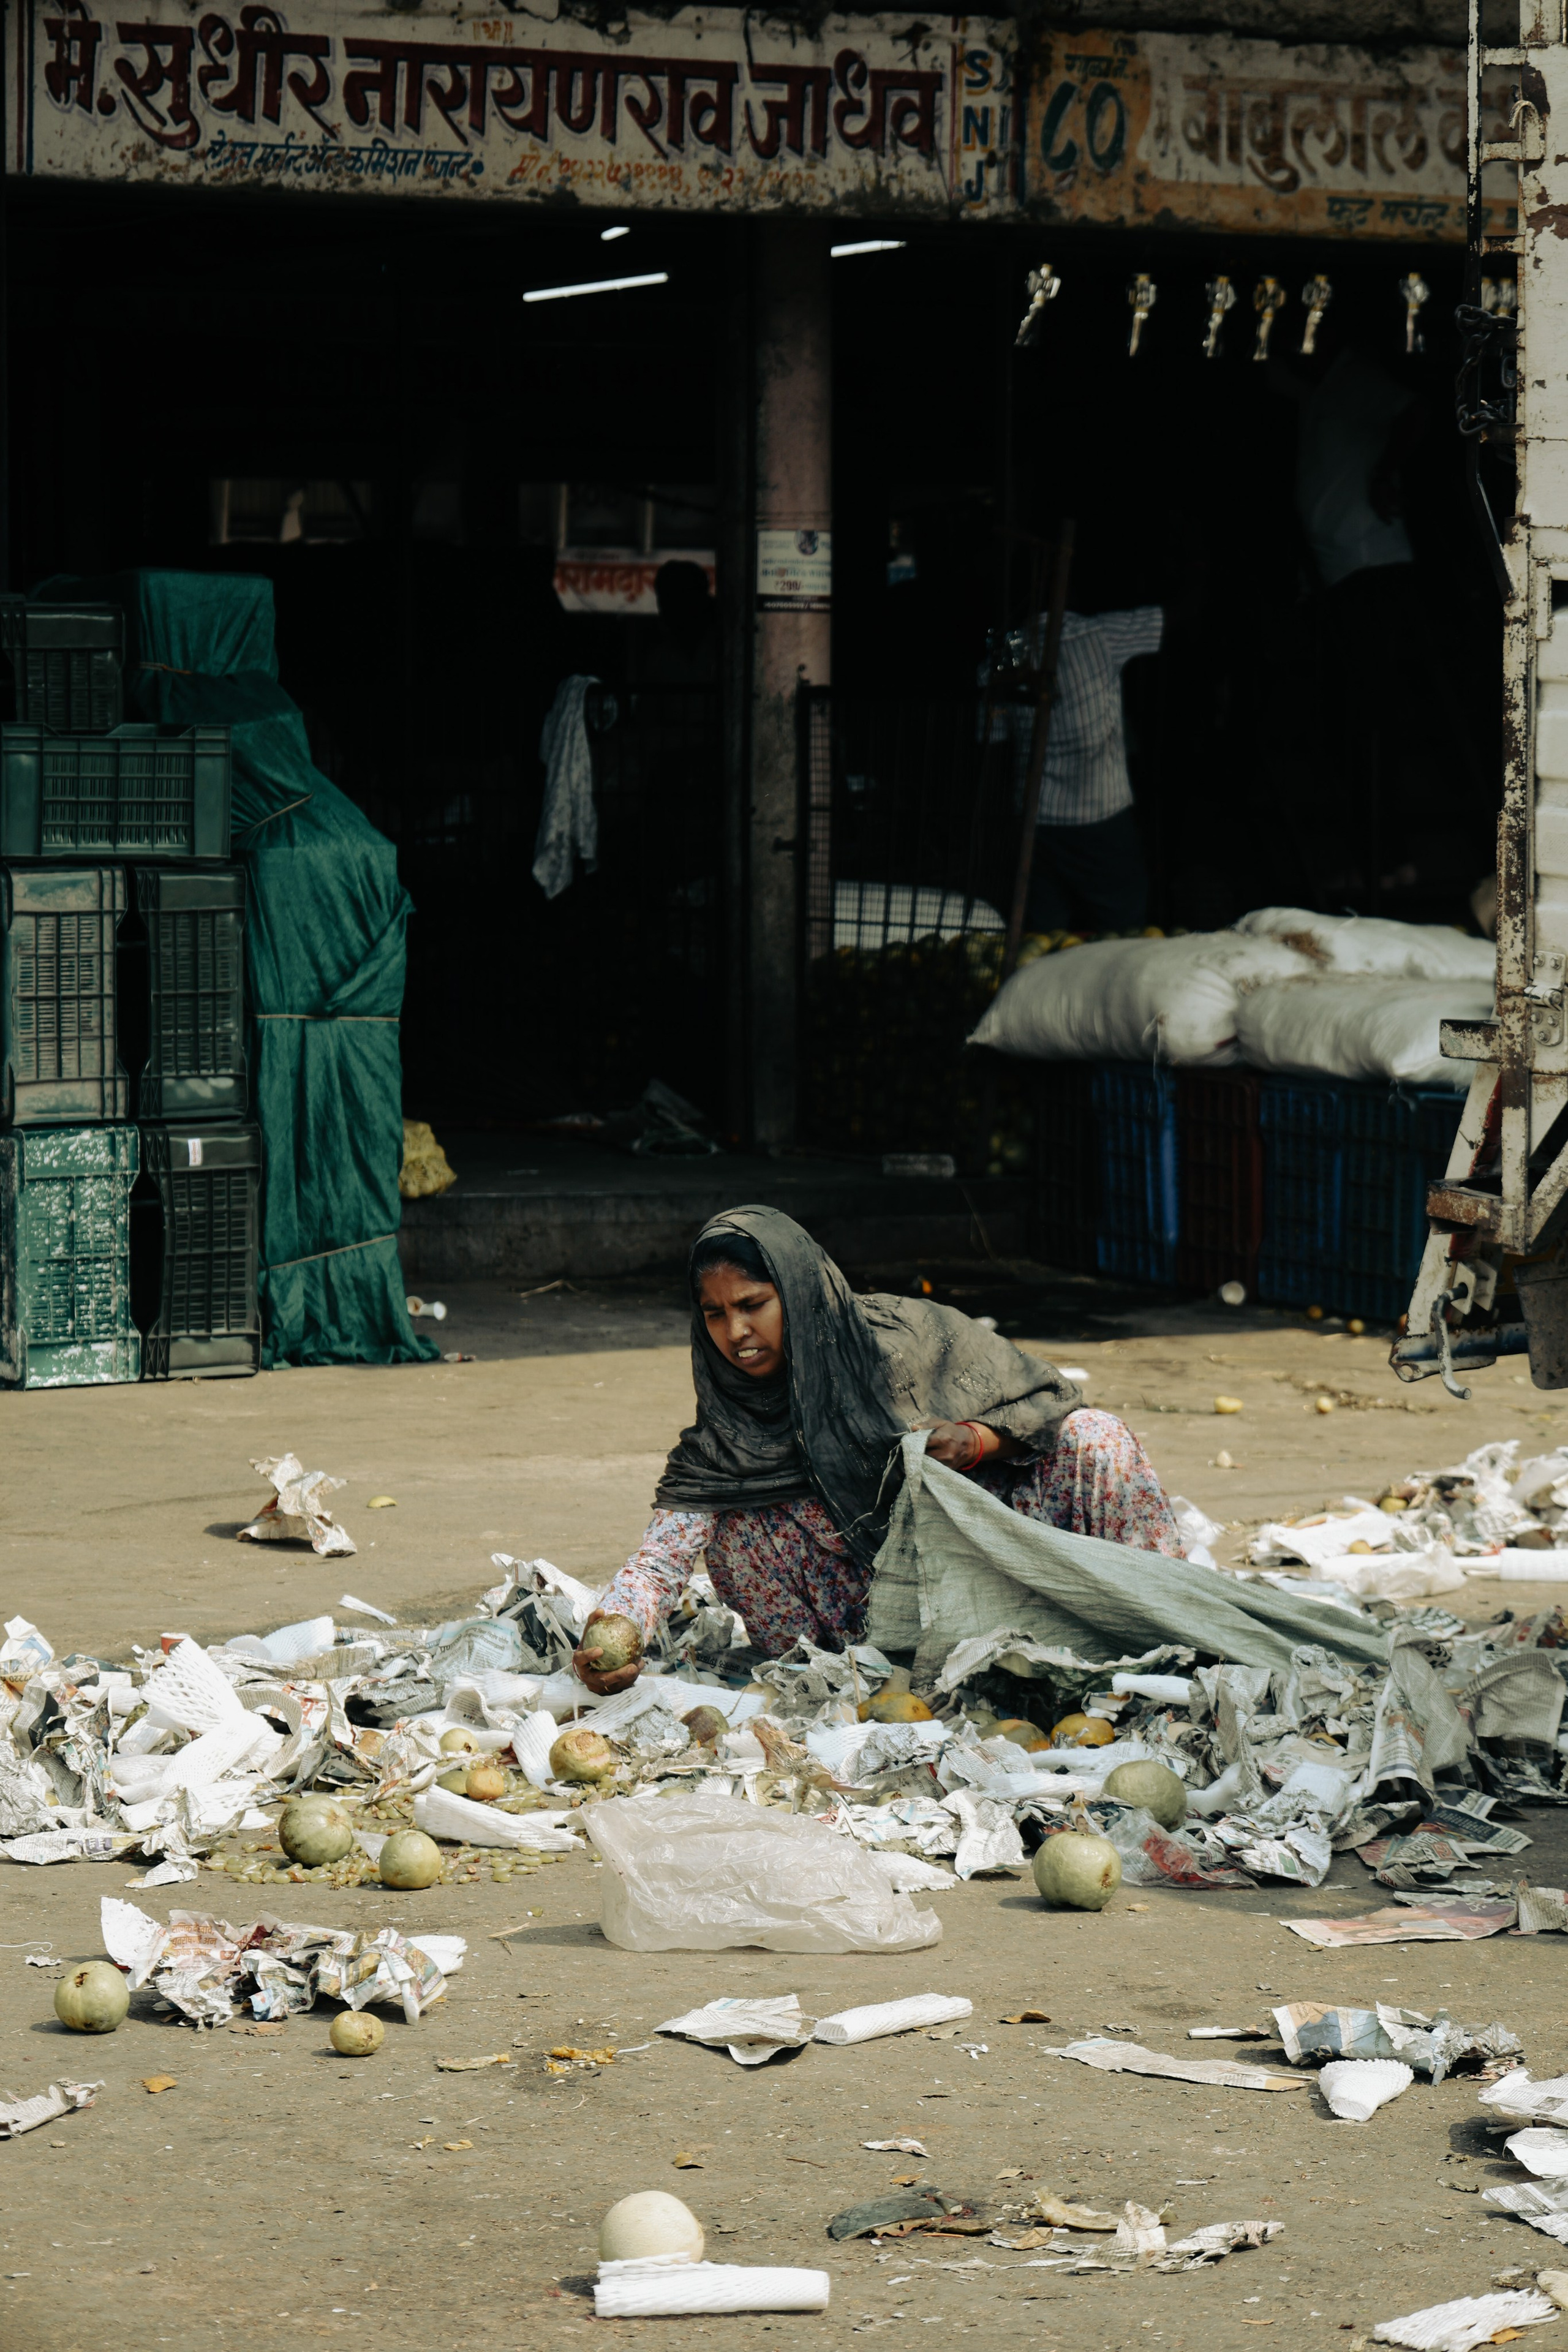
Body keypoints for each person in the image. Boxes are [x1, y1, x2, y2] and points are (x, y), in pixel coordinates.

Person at [573, 1205, 1183, 1693]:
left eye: (753, 1305)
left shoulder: (904, 1340)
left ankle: (1162, 1621)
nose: (735, 1333)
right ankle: (854, 1688)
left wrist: (975, 1443)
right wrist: (616, 1628)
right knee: (736, 1533)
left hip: (998, 1566)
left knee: (1095, 1436)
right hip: (879, 1631)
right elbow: (664, 1555)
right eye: (714, 1315)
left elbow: (1045, 1404)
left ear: (800, 1292)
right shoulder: (729, 1433)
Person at [987, 605, 1163, 935]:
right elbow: (1174, 617)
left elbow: (994, 741)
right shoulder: (1102, 633)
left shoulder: (1004, 652)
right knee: (1122, 923)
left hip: (1036, 817)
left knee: (1045, 930)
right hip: (1100, 814)